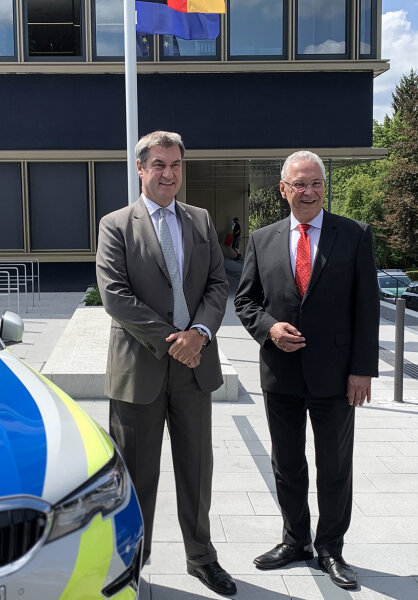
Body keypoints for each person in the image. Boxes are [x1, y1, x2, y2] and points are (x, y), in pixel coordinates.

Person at [96, 131, 236, 596]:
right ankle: (130, 562)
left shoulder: (199, 219)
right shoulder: (116, 224)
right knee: (136, 478)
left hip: (195, 368)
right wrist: (172, 339)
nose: (168, 173)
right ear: (140, 168)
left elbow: (218, 284)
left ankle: (201, 558)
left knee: (197, 470)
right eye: (158, 164)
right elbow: (115, 296)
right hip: (141, 368)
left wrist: (199, 334)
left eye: (175, 165)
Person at [234, 150, 380, 589]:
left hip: (337, 376)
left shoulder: (354, 234)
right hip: (281, 373)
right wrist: (269, 328)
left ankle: (331, 548)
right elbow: (245, 301)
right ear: (284, 189)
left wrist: (362, 370)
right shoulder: (262, 239)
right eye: (299, 183)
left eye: (316, 182)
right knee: (288, 463)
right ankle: (294, 540)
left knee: (334, 464)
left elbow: (367, 307)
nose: (309, 191)